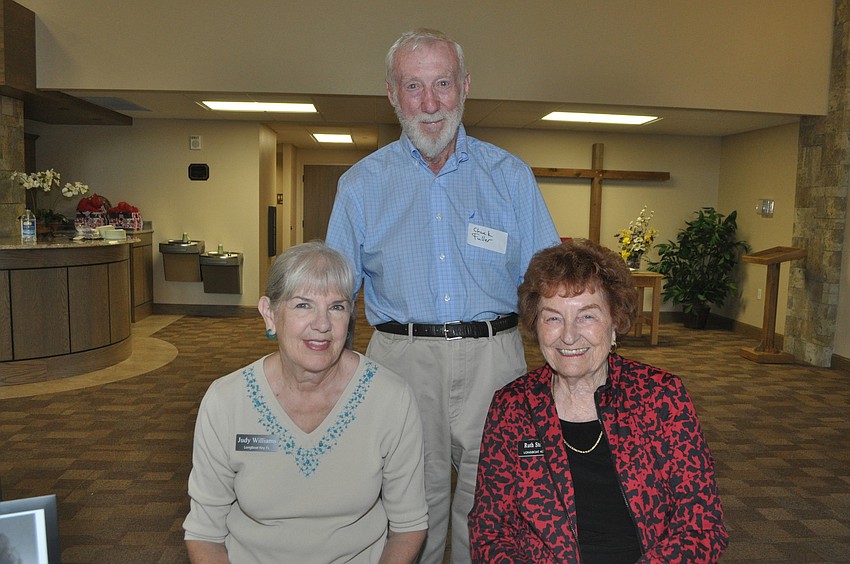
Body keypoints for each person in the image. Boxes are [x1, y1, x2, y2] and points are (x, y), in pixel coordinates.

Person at [326, 28, 561, 563]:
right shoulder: (361, 185)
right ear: (392, 93)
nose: (430, 104)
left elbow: (551, 282)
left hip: (495, 359)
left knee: (495, 504)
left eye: (442, 84)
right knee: (410, 507)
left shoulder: (511, 177)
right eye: (414, 86)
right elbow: (334, 296)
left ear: (465, 87)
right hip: (400, 361)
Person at [469, 239, 728, 563]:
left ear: (615, 321)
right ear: (536, 325)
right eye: (553, 318)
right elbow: (489, 531)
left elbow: (702, 524)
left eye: (587, 317)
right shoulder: (512, 407)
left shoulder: (662, 398)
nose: (568, 335)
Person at [183, 241, 428, 563]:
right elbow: (205, 535)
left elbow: (408, 526)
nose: (323, 324)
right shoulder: (226, 400)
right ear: (269, 313)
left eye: (337, 307)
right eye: (303, 305)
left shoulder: (390, 398)